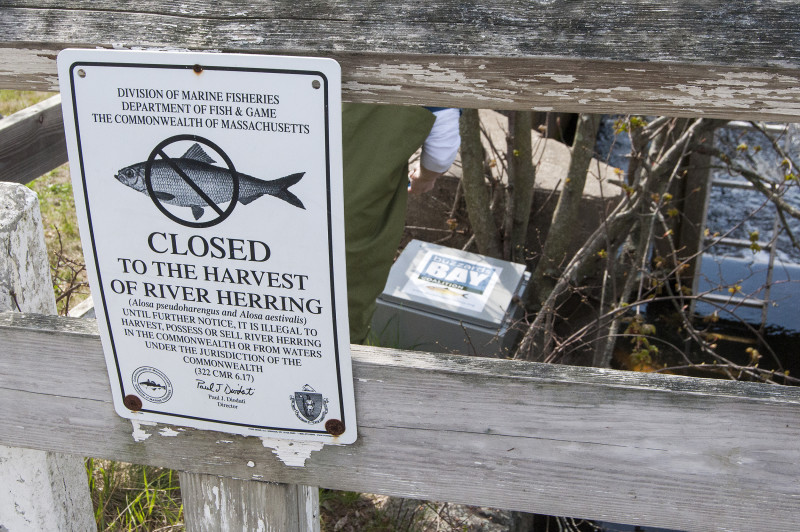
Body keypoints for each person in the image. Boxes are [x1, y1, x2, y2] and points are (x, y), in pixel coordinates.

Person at [342, 104, 460, 344]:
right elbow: (440, 150)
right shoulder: (420, 67)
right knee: (344, 308)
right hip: (354, 215)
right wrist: (426, 176)